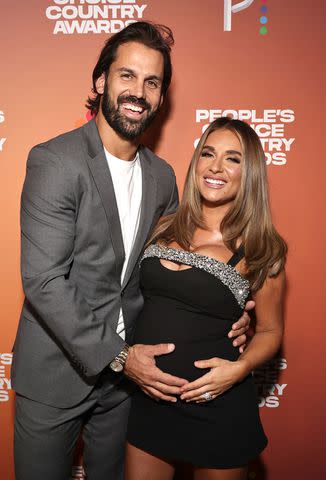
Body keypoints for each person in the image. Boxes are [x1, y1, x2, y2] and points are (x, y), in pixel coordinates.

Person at [11, 22, 250, 480]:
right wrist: (122, 356)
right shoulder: (56, 161)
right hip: (57, 376)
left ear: (161, 97)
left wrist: (233, 312)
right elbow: (44, 282)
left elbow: (178, 268)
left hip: (127, 389)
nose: (138, 91)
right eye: (127, 76)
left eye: (152, 82)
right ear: (101, 81)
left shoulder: (162, 177)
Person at [125, 117, 287, 480]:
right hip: (151, 400)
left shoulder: (261, 248)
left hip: (218, 406)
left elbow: (271, 330)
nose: (216, 167)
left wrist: (238, 370)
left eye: (233, 159)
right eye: (208, 153)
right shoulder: (164, 224)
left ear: (251, 173)